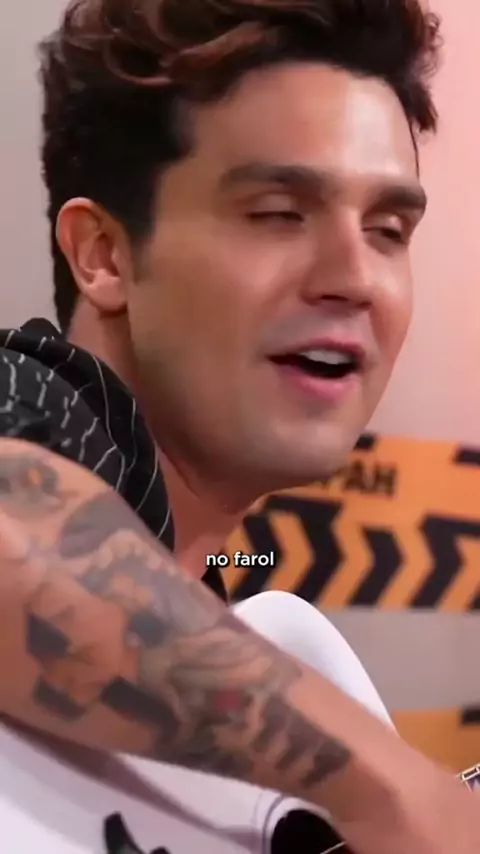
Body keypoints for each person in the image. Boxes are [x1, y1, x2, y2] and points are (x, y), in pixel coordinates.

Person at [0, 0, 478, 851]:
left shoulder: (242, 623)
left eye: (388, 230)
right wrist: (392, 786)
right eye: (277, 213)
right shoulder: (35, 396)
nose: (354, 278)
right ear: (103, 255)